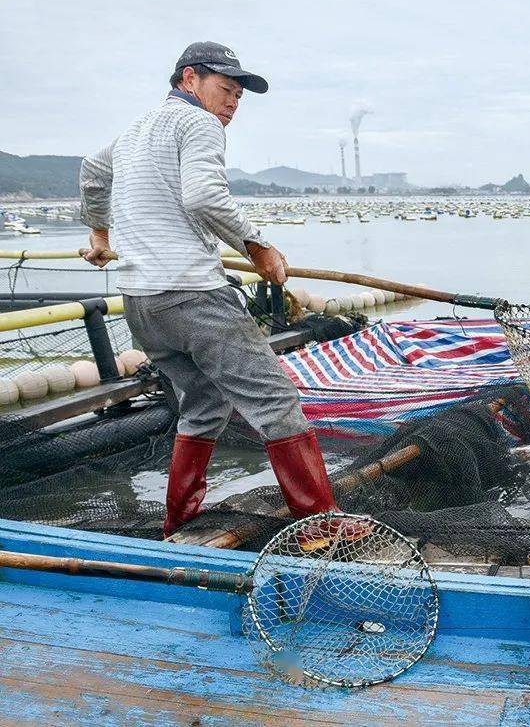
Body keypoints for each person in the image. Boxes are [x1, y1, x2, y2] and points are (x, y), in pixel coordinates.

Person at [80, 42, 338, 538]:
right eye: (226, 89)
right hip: (193, 293)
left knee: (203, 402)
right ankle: (321, 530)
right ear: (190, 78)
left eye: (239, 97)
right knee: (276, 402)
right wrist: (257, 246)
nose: (232, 105)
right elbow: (202, 195)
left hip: (143, 303)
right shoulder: (198, 123)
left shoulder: (133, 132)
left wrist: (99, 235)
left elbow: (92, 173)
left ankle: (180, 517)